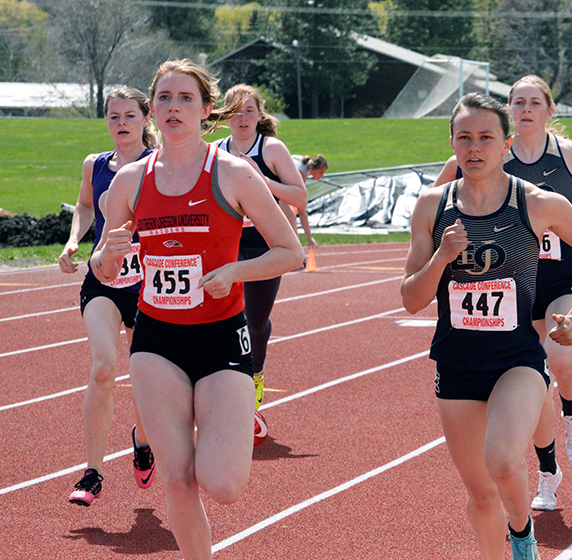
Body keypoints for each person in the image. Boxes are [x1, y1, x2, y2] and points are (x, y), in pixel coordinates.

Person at [90, 59, 302, 560]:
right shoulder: (129, 182)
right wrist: (108, 256)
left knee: (223, 484)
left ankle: (221, 424)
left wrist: (233, 273)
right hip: (157, 340)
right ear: (151, 110)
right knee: (177, 478)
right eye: (163, 98)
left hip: (221, 336)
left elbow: (289, 252)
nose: (173, 108)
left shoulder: (232, 172)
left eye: (185, 98)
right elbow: (101, 267)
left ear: (207, 109)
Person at [402, 93, 572, 560]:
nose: (474, 148)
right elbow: (411, 299)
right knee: (480, 494)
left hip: (517, 359)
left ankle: (522, 535)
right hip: (455, 364)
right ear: (452, 143)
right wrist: (441, 258)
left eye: (486, 138)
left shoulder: (535, 203)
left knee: (501, 459)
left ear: (506, 144)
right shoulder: (432, 207)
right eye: (464, 138)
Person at [59, 86, 159, 507]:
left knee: (144, 379)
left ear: (145, 119)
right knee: (103, 367)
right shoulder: (95, 164)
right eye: (114, 116)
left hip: (148, 284)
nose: (121, 123)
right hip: (102, 279)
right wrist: (73, 241)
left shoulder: (158, 165)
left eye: (129, 116)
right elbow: (85, 207)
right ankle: (92, 472)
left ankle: (142, 440)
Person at [216, 84, 308, 414]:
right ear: (226, 115)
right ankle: (224, 380)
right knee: (221, 317)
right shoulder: (215, 151)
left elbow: (300, 197)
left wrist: (258, 179)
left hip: (263, 246)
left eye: (249, 111)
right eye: (236, 112)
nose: (243, 118)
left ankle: (255, 372)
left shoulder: (271, 149)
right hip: (225, 245)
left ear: (260, 114)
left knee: (255, 321)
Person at [292, 154, 328, 253]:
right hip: (270, 186)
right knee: (291, 218)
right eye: (321, 172)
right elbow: (302, 211)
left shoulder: (299, 159)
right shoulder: (300, 174)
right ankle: (295, 254)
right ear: (312, 168)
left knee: (290, 217)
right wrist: (309, 238)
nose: (322, 176)